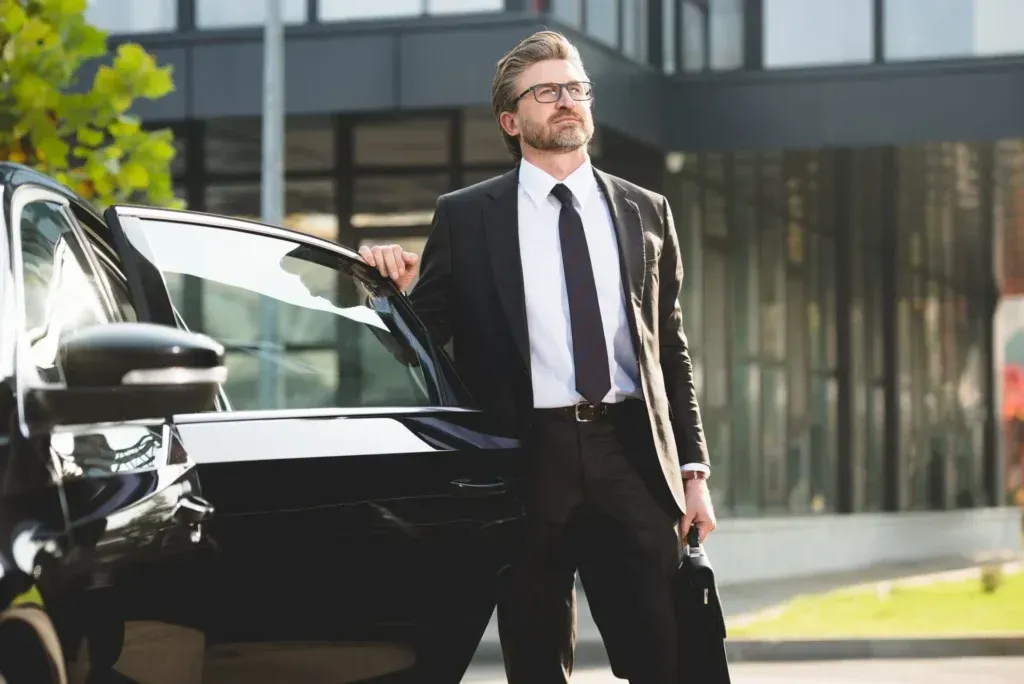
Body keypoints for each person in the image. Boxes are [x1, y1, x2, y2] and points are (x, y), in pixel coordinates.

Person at [358, 30, 717, 684]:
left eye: (576, 88)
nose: (567, 101)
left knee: (665, 657)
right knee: (535, 661)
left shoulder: (646, 211)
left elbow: (670, 350)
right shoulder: (467, 217)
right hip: (525, 462)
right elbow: (418, 345)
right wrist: (392, 294)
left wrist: (693, 472)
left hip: (631, 458)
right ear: (510, 119)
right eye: (547, 92)